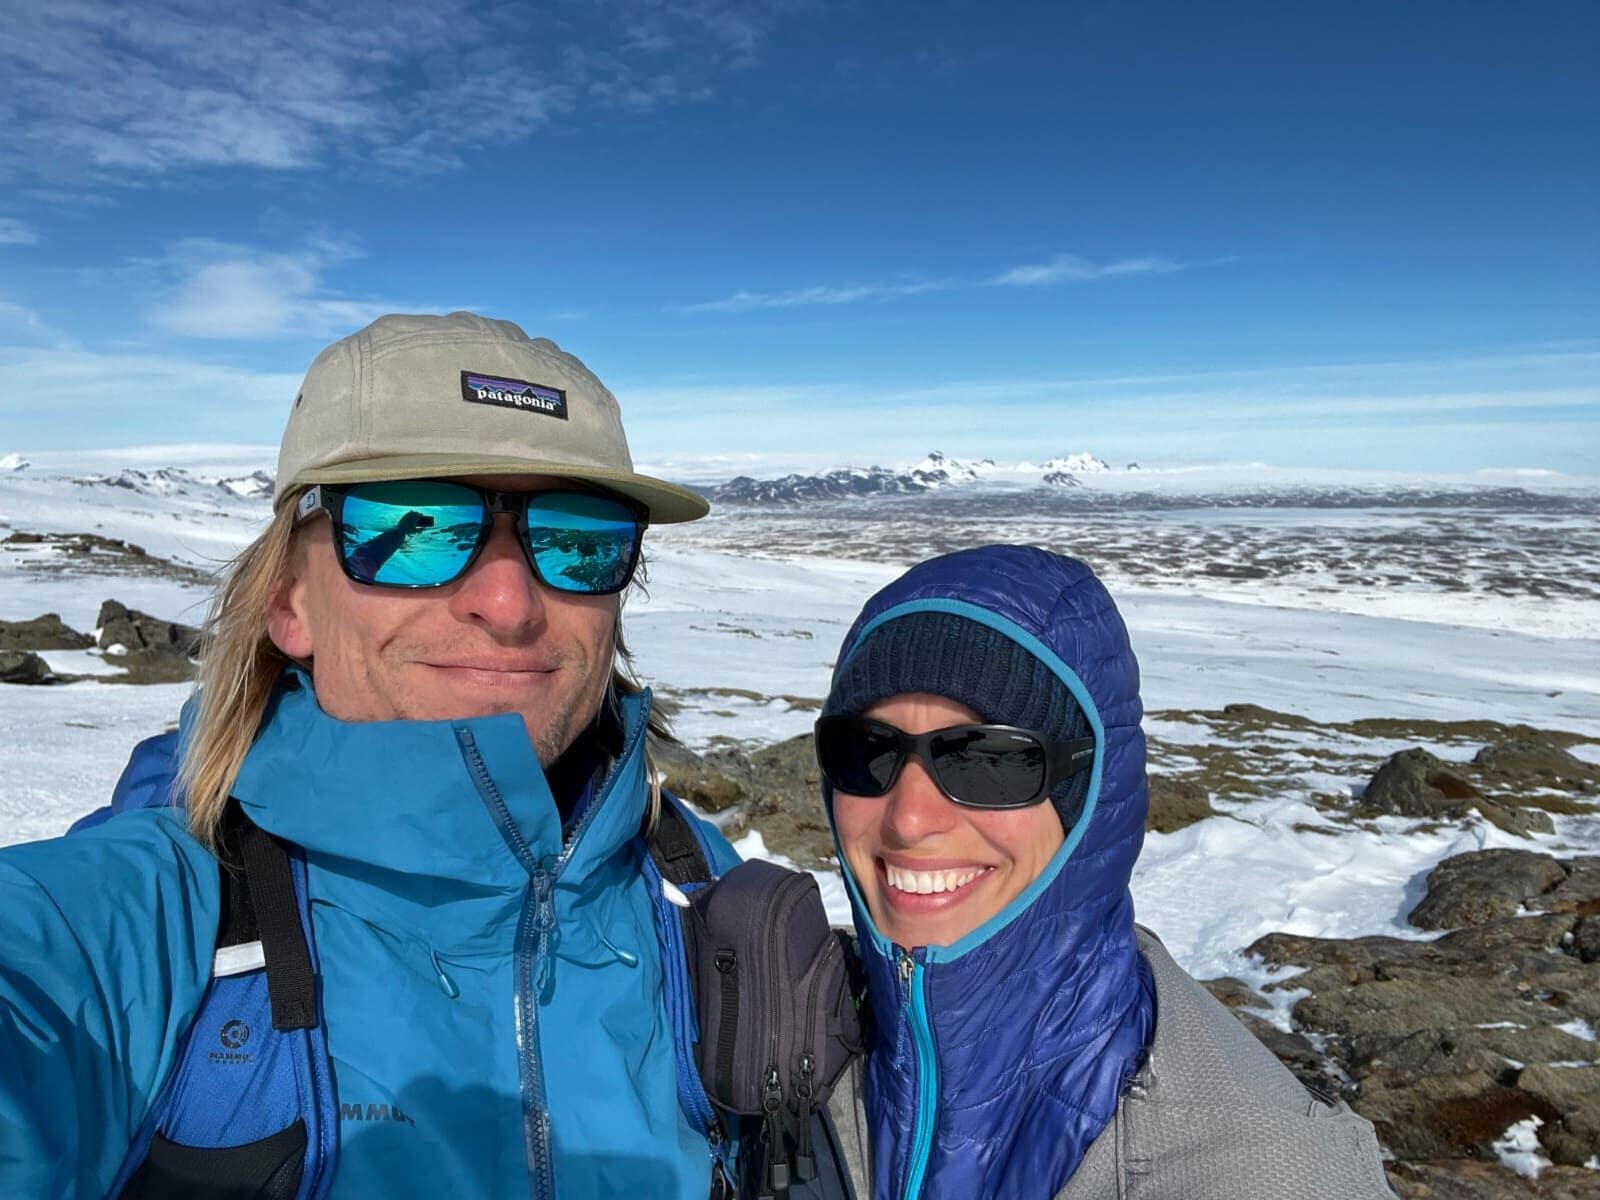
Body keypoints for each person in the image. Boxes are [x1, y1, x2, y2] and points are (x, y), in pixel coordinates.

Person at [0, 313, 746, 1198]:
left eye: (578, 538)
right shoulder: (135, 923)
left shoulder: (703, 895)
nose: (509, 603)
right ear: (288, 601)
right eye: (410, 525)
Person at [813, 545, 1397, 1199]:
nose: (909, 820)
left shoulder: (1270, 1174)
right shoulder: (776, 1050)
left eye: (988, 760)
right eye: (867, 750)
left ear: (1094, 795)